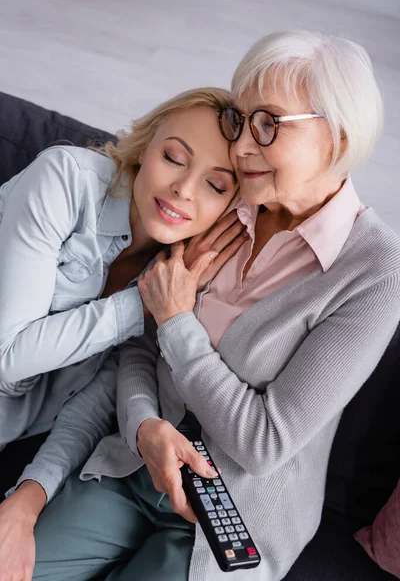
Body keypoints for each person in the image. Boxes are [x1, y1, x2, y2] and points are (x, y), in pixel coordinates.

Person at [2, 29, 400, 581]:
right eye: (241, 119)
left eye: (268, 125)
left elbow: (264, 442)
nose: (240, 149)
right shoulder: (229, 202)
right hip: (132, 460)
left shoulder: (376, 272)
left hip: (227, 514)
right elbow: (139, 349)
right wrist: (143, 425)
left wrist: (175, 320)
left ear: (336, 136)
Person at [0, 87, 246, 493]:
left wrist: (31, 493)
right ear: (144, 147)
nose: (183, 189)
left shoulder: (182, 285)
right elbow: (8, 359)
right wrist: (142, 304)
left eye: (215, 185)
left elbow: (92, 405)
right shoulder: (64, 180)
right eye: (174, 158)